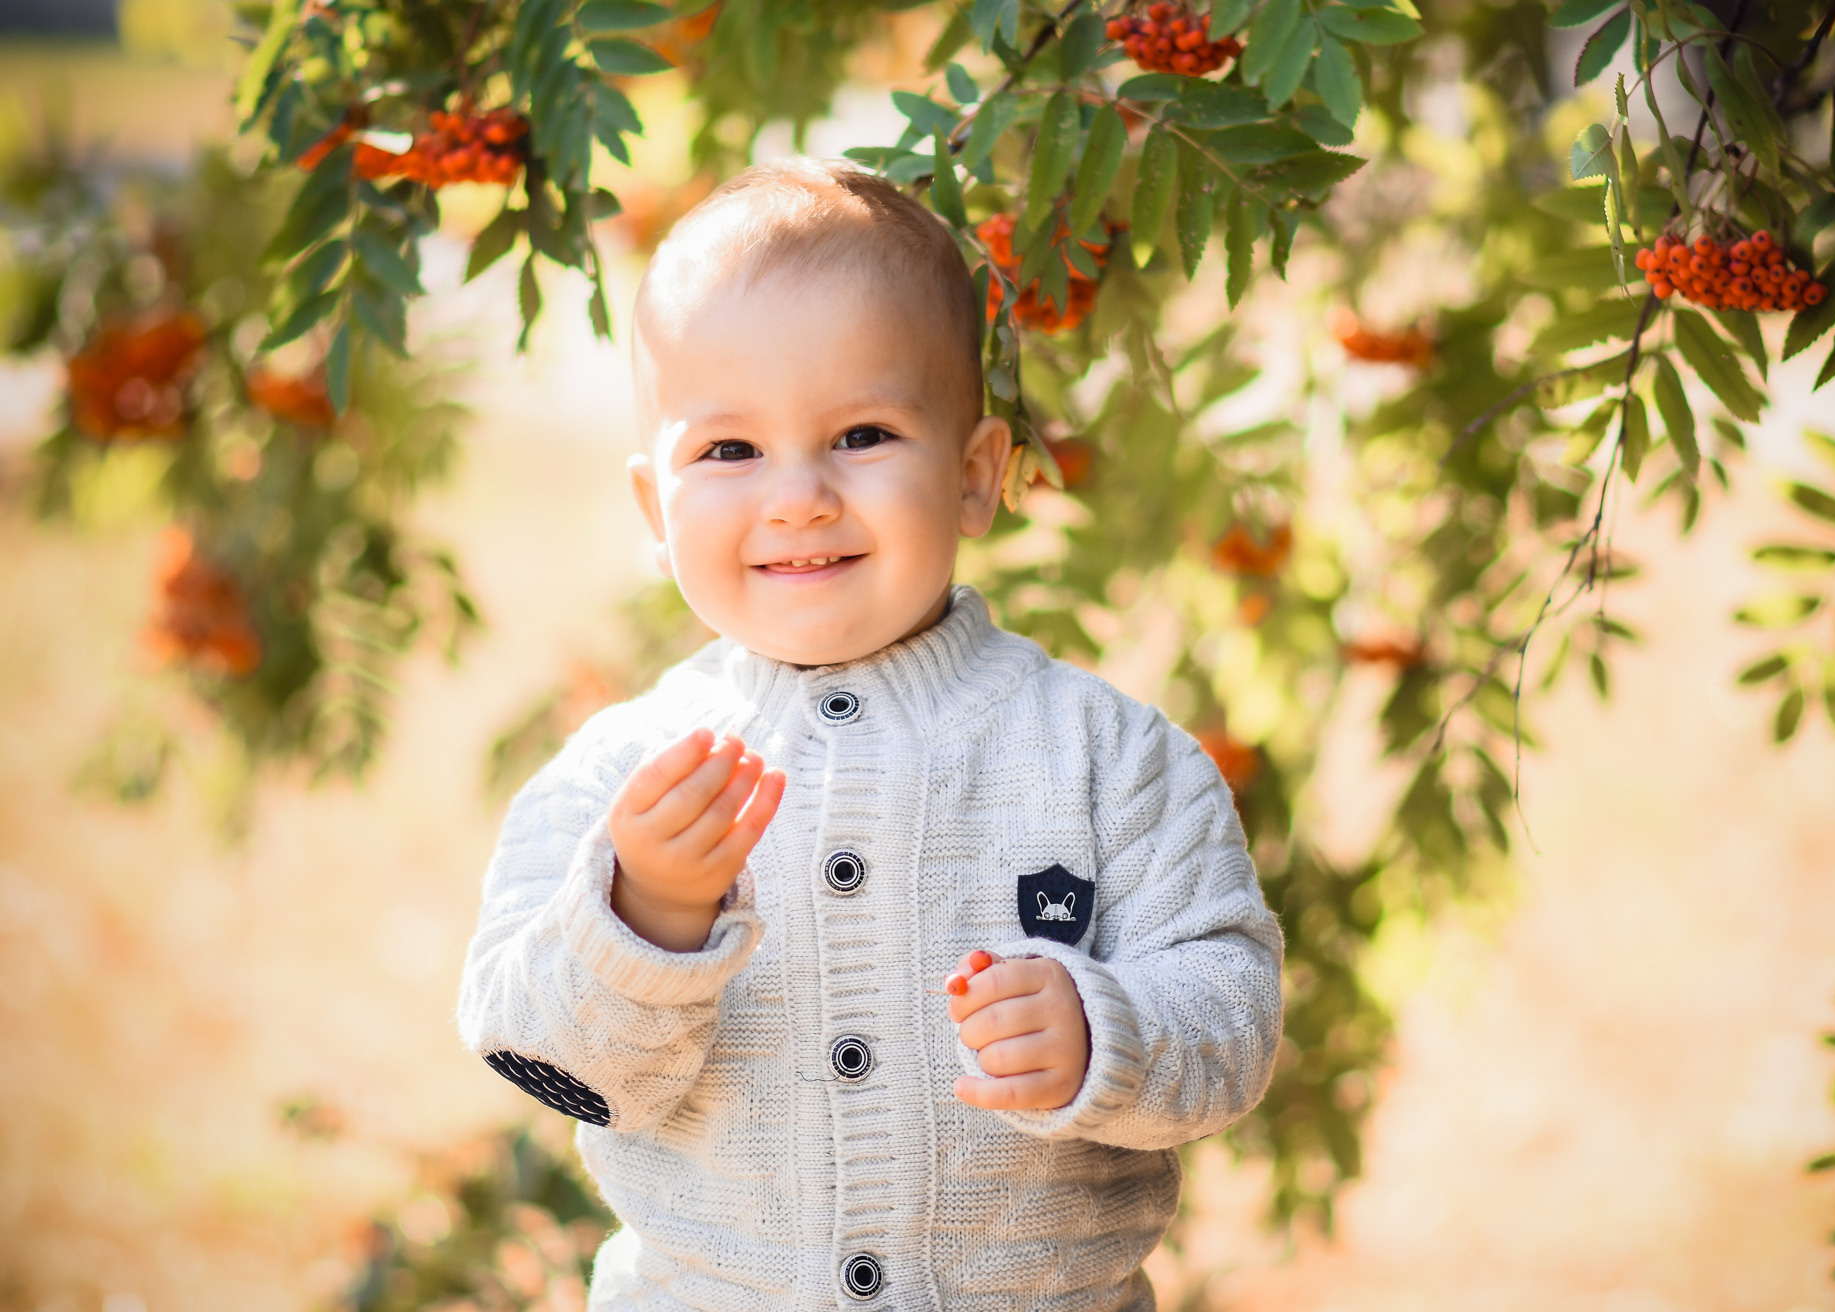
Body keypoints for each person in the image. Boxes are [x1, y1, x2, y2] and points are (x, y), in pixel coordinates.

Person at [457, 156, 1284, 1312]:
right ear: (655, 510)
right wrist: (641, 914)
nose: (796, 495)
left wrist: (1109, 1032)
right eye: (729, 451)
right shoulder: (619, 777)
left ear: (975, 477)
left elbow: (1233, 1014)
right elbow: (550, 1059)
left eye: (860, 433)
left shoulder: (1109, 758)